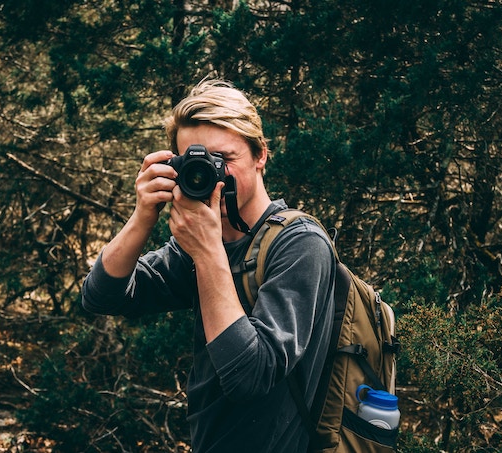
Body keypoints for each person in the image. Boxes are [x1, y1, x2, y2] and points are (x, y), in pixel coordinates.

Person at [82, 79, 336, 453]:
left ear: (260, 154)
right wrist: (141, 219)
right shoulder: (203, 243)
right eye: (197, 162)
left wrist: (206, 253)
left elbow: (250, 376)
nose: (214, 175)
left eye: (225, 160)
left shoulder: (300, 244)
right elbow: (100, 296)